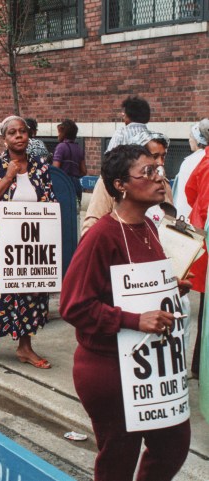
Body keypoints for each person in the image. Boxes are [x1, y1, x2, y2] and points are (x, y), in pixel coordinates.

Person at [59, 145, 191, 481]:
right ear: (121, 185)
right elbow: (74, 305)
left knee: (173, 443)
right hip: (109, 369)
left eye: (160, 168)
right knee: (119, 457)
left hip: (149, 365)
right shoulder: (101, 236)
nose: (159, 177)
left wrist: (168, 290)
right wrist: (134, 320)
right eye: (148, 171)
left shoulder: (148, 227)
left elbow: (133, 288)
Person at [0, 116, 56, 365]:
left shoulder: (40, 165)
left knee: (31, 293)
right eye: (12, 133)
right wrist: (8, 177)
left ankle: (25, 347)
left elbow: (49, 198)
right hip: (1, 242)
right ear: (4, 138)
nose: (19, 136)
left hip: (31, 243)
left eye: (23, 132)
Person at [82, 130, 172, 235]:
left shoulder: (163, 183)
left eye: (163, 156)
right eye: (155, 156)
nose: (160, 162)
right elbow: (92, 223)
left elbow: (169, 222)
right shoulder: (111, 179)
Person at [185, 147, 209, 378]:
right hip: (206, 240)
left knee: (205, 310)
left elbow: (190, 192)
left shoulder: (204, 160)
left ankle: (199, 366)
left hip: (202, 240)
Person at [172, 118, 209, 221]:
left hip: (191, 216)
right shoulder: (202, 157)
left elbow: (189, 192)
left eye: (191, 136)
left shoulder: (191, 161)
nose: (189, 139)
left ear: (198, 140)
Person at [52, 119, 86, 202]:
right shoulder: (79, 149)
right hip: (76, 185)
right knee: (75, 212)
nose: (58, 135)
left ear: (63, 133)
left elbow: (55, 169)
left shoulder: (61, 147)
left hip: (63, 185)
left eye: (59, 132)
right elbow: (84, 171)